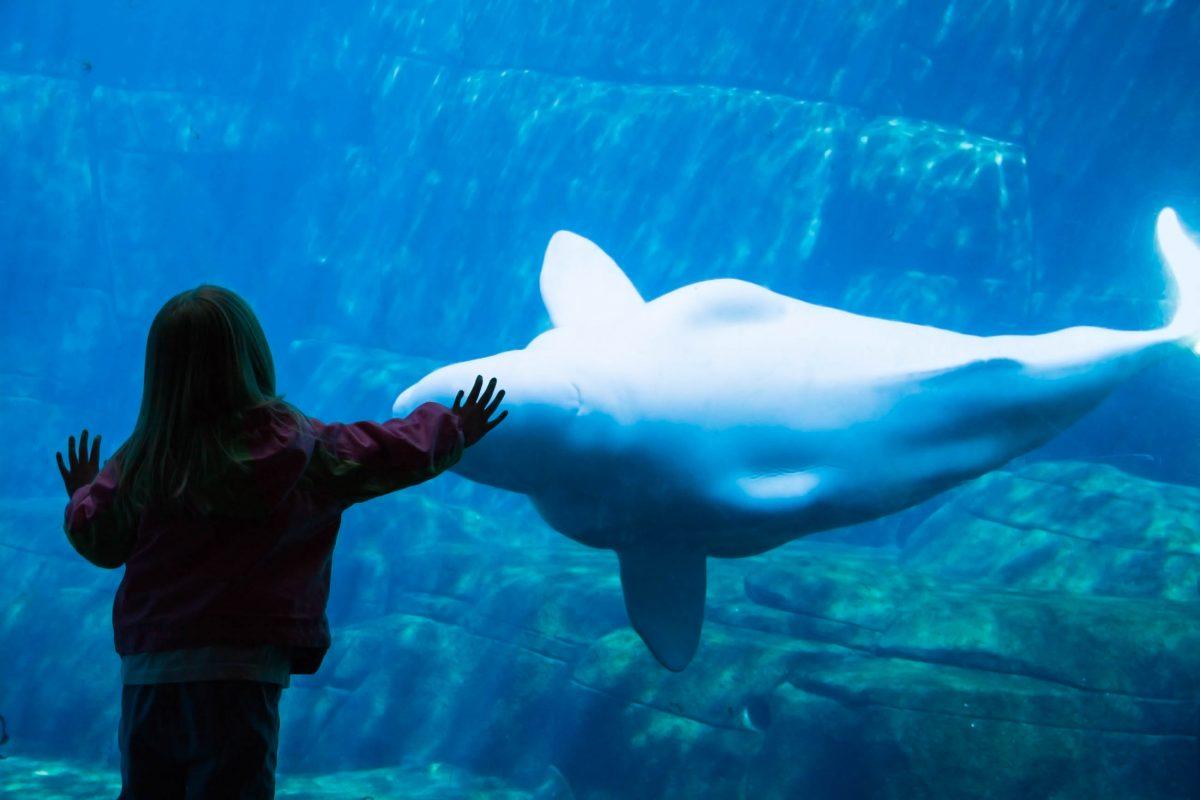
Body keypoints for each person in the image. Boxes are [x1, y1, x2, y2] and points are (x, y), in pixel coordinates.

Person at [55, 285, 506, 799]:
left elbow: (101, 541)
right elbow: (384, 452)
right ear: (254, 357)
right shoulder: (300, 450)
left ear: (158, 375)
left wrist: (83, 495)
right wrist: (452, 428)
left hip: (152, 672)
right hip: (240, 674)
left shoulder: (140, 462)